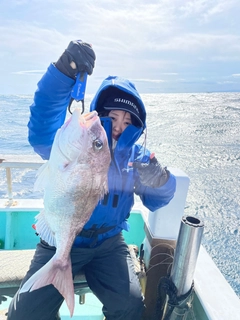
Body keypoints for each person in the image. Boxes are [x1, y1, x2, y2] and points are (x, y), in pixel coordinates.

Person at [7, 40, 176, 320]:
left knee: (131, 307)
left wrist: (161, 179)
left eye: (128, 121)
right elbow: (42, 127)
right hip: (61, 239)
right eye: (114, 117)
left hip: (109, 243)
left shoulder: (137, 157)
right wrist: (63, 73)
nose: (120, 127)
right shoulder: (74, 143)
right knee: (25, 314)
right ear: (102, 115)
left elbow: (159, 200)